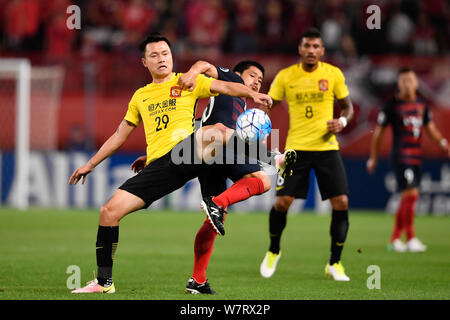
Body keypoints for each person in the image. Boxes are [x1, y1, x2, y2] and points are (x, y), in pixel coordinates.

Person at [68, 33, 272, 294]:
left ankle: (272, 157)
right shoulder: (140, 96)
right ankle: (104, 282)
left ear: (172, 56)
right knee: (109, 212)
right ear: (144, 62)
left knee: (218, 129)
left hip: (185, 154)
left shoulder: (187, 82)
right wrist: (91, 163)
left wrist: (254, 95)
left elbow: (228, 88)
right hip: (162, 167)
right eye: (154, 55)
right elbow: (120, 135)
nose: (161, 59)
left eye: (165, 53)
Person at [131, 60, 296, 294]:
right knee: (263, 181)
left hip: (206, 155)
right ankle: (271, 161)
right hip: (223, 146)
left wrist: (153, 156)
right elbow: (205, 65)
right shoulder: (232, 81)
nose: (257, 82)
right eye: (253, 76)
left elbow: (195, 128)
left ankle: (197, 280)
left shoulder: (226, 101)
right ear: (238, 74)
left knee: (215, 221)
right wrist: (192, 73)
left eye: (260, 80)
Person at [259, 28, 355, 281]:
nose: (311, 50)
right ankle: (273, 250)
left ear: (322, 51)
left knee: (341, 202)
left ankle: (334, 263)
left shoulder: (333, 74)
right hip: (296, 149)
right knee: (281, 203)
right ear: (300, 49)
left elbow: (348, 107)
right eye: (307, 46)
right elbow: (269, 104)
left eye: (316, 46)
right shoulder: (286, 76)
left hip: (326, 148)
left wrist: (342, 122)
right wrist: (257, 121)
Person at [367, 67, 450, 252]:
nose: (407, 84)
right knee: (412, 194)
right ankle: (408, 238)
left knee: (409, 196)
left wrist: (443, 143)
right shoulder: (391, 106)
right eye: (403, 80)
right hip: (401, 156)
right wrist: (373, 158)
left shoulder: (422, 105)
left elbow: (431, 128)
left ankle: (396, 239)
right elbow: (378, 134)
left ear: (416, 83)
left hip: (416, 157)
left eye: (410, 80)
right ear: (398, 84)